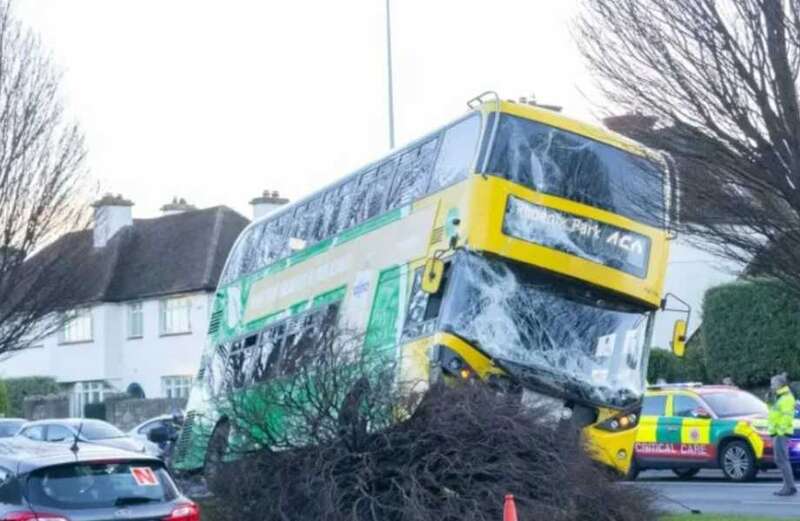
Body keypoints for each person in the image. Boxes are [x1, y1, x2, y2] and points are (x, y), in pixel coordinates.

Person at [768, 372, 797, 496]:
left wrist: (780, 432)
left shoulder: (786, 397)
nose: (771, 386)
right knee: (780, 460)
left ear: (780, 384)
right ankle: (789, 486)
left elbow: (786, 417)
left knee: (782, 460)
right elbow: (773, 413)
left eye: (773, 384)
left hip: (781, 433)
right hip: (778, 432)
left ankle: (789, 487)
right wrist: (769, 401)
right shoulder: (780, 396)